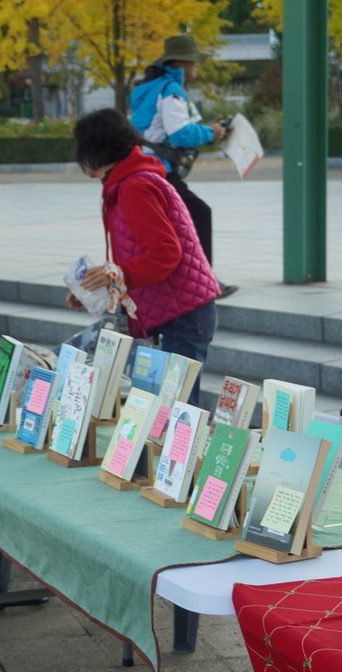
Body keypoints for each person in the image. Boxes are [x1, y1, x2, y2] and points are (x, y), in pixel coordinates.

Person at [69, 108, 219, 406]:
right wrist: (101, 284)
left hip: (182, 313)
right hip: (174, 309)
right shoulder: (129, 182)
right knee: (167, 413)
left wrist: (116, 274)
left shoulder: (135, 186)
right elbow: (142, 254)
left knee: (176, 415)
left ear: (96, 149)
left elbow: (165, 254)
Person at [129, 33, 237, 299]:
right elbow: (179, 133)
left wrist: (207, 128)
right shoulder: (170, 89)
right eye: (194, 60)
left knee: (175, 224)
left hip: (139, 166)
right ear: (180, 62)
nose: (197, 65)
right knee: (200, 213)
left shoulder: (148, 87)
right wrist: (211, 133)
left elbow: (160, 129)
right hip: (158, 170)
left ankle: (181, 281)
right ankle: (204, 284)